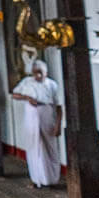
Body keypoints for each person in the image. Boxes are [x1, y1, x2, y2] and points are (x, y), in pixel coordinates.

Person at [10, 59, 63, 188]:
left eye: (41, 72)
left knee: (49, 148)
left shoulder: (52, 85)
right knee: (34, 147)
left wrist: (58, 125)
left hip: (47, 117)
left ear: (46, 72)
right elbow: (14, 95)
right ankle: (36, 178)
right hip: (31, 119)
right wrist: (27, 98)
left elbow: (59, 106)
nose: (38, 76)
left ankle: (51, 179)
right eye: (35, 73)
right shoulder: (27, 82)